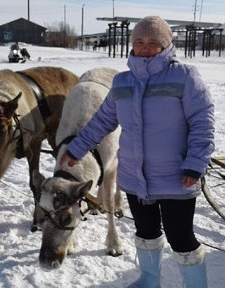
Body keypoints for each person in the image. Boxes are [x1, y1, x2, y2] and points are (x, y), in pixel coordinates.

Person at [60, 16, 214, 288]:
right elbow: (102, 122)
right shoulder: (122, 82)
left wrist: (195, 164)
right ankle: (149, 278)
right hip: (134, 177)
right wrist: (77, 148)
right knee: (145, 231)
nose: (144, 48)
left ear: (166, 45)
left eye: (153, 43)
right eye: (139, 42)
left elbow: (202, 122)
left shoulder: (184, 76)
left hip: (176, 177)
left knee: (181, 238)